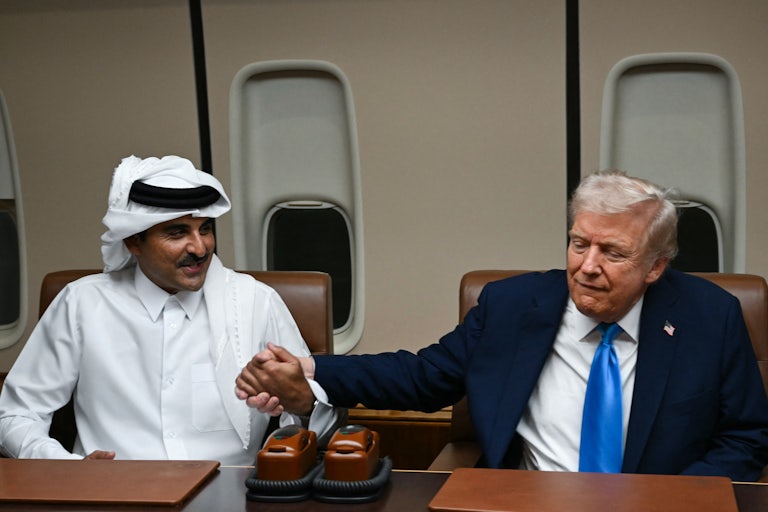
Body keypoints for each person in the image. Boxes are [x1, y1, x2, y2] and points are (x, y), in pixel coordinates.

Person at [236, 170, 768, 481]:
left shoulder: (708, 316)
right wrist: (306, 368)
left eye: (613, 252)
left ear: (655, 266)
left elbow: (746, 437)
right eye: (579, 243)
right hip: (528, 502)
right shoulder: (512, 306)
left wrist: (672, 502)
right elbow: (421, 377)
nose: (587, 266)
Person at [0, 155, 342, 464]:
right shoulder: (82, 305)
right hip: (112, 496)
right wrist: (69, 470)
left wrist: (302, 405)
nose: (200, 247)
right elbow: (15, 416)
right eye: (178, 232)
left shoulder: (255, 302)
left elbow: (313, 423)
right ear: (134, 241)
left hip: (229, 498)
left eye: (205, 229)